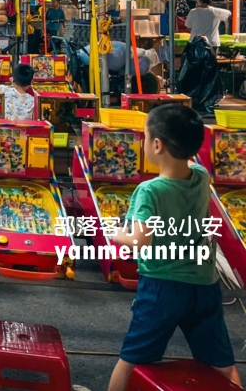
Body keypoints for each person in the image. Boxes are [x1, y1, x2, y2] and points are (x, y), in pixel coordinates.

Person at [108, 105, 240, 391]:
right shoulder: (201, 176)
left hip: (162, 288)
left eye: (144, 137)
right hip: (204, 285)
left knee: (131, 358)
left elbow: (141, 241)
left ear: (157, 144)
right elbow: (191, 167)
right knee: (222, 363)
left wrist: (117, 234)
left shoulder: (150, 190)